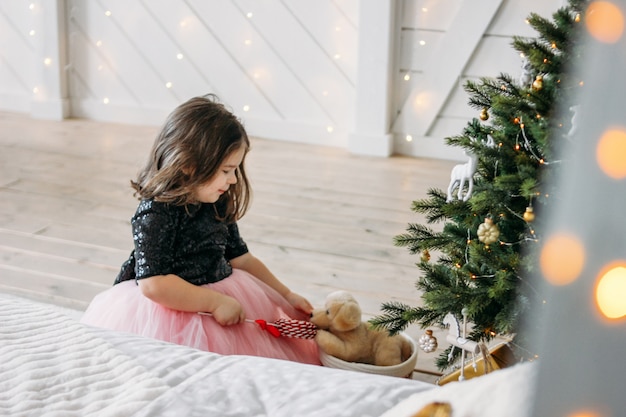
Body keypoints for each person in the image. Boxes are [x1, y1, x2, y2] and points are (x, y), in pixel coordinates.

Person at [80, 94, 320, 365]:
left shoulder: (216, 202)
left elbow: (241, 258)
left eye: (235, 170)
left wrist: (285, 295)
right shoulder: (155, 213)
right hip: (171, 309)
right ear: (189, 165)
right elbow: (154, 284)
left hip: (220, 294)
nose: (232, 180)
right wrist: (213, 302)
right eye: (226, 170)